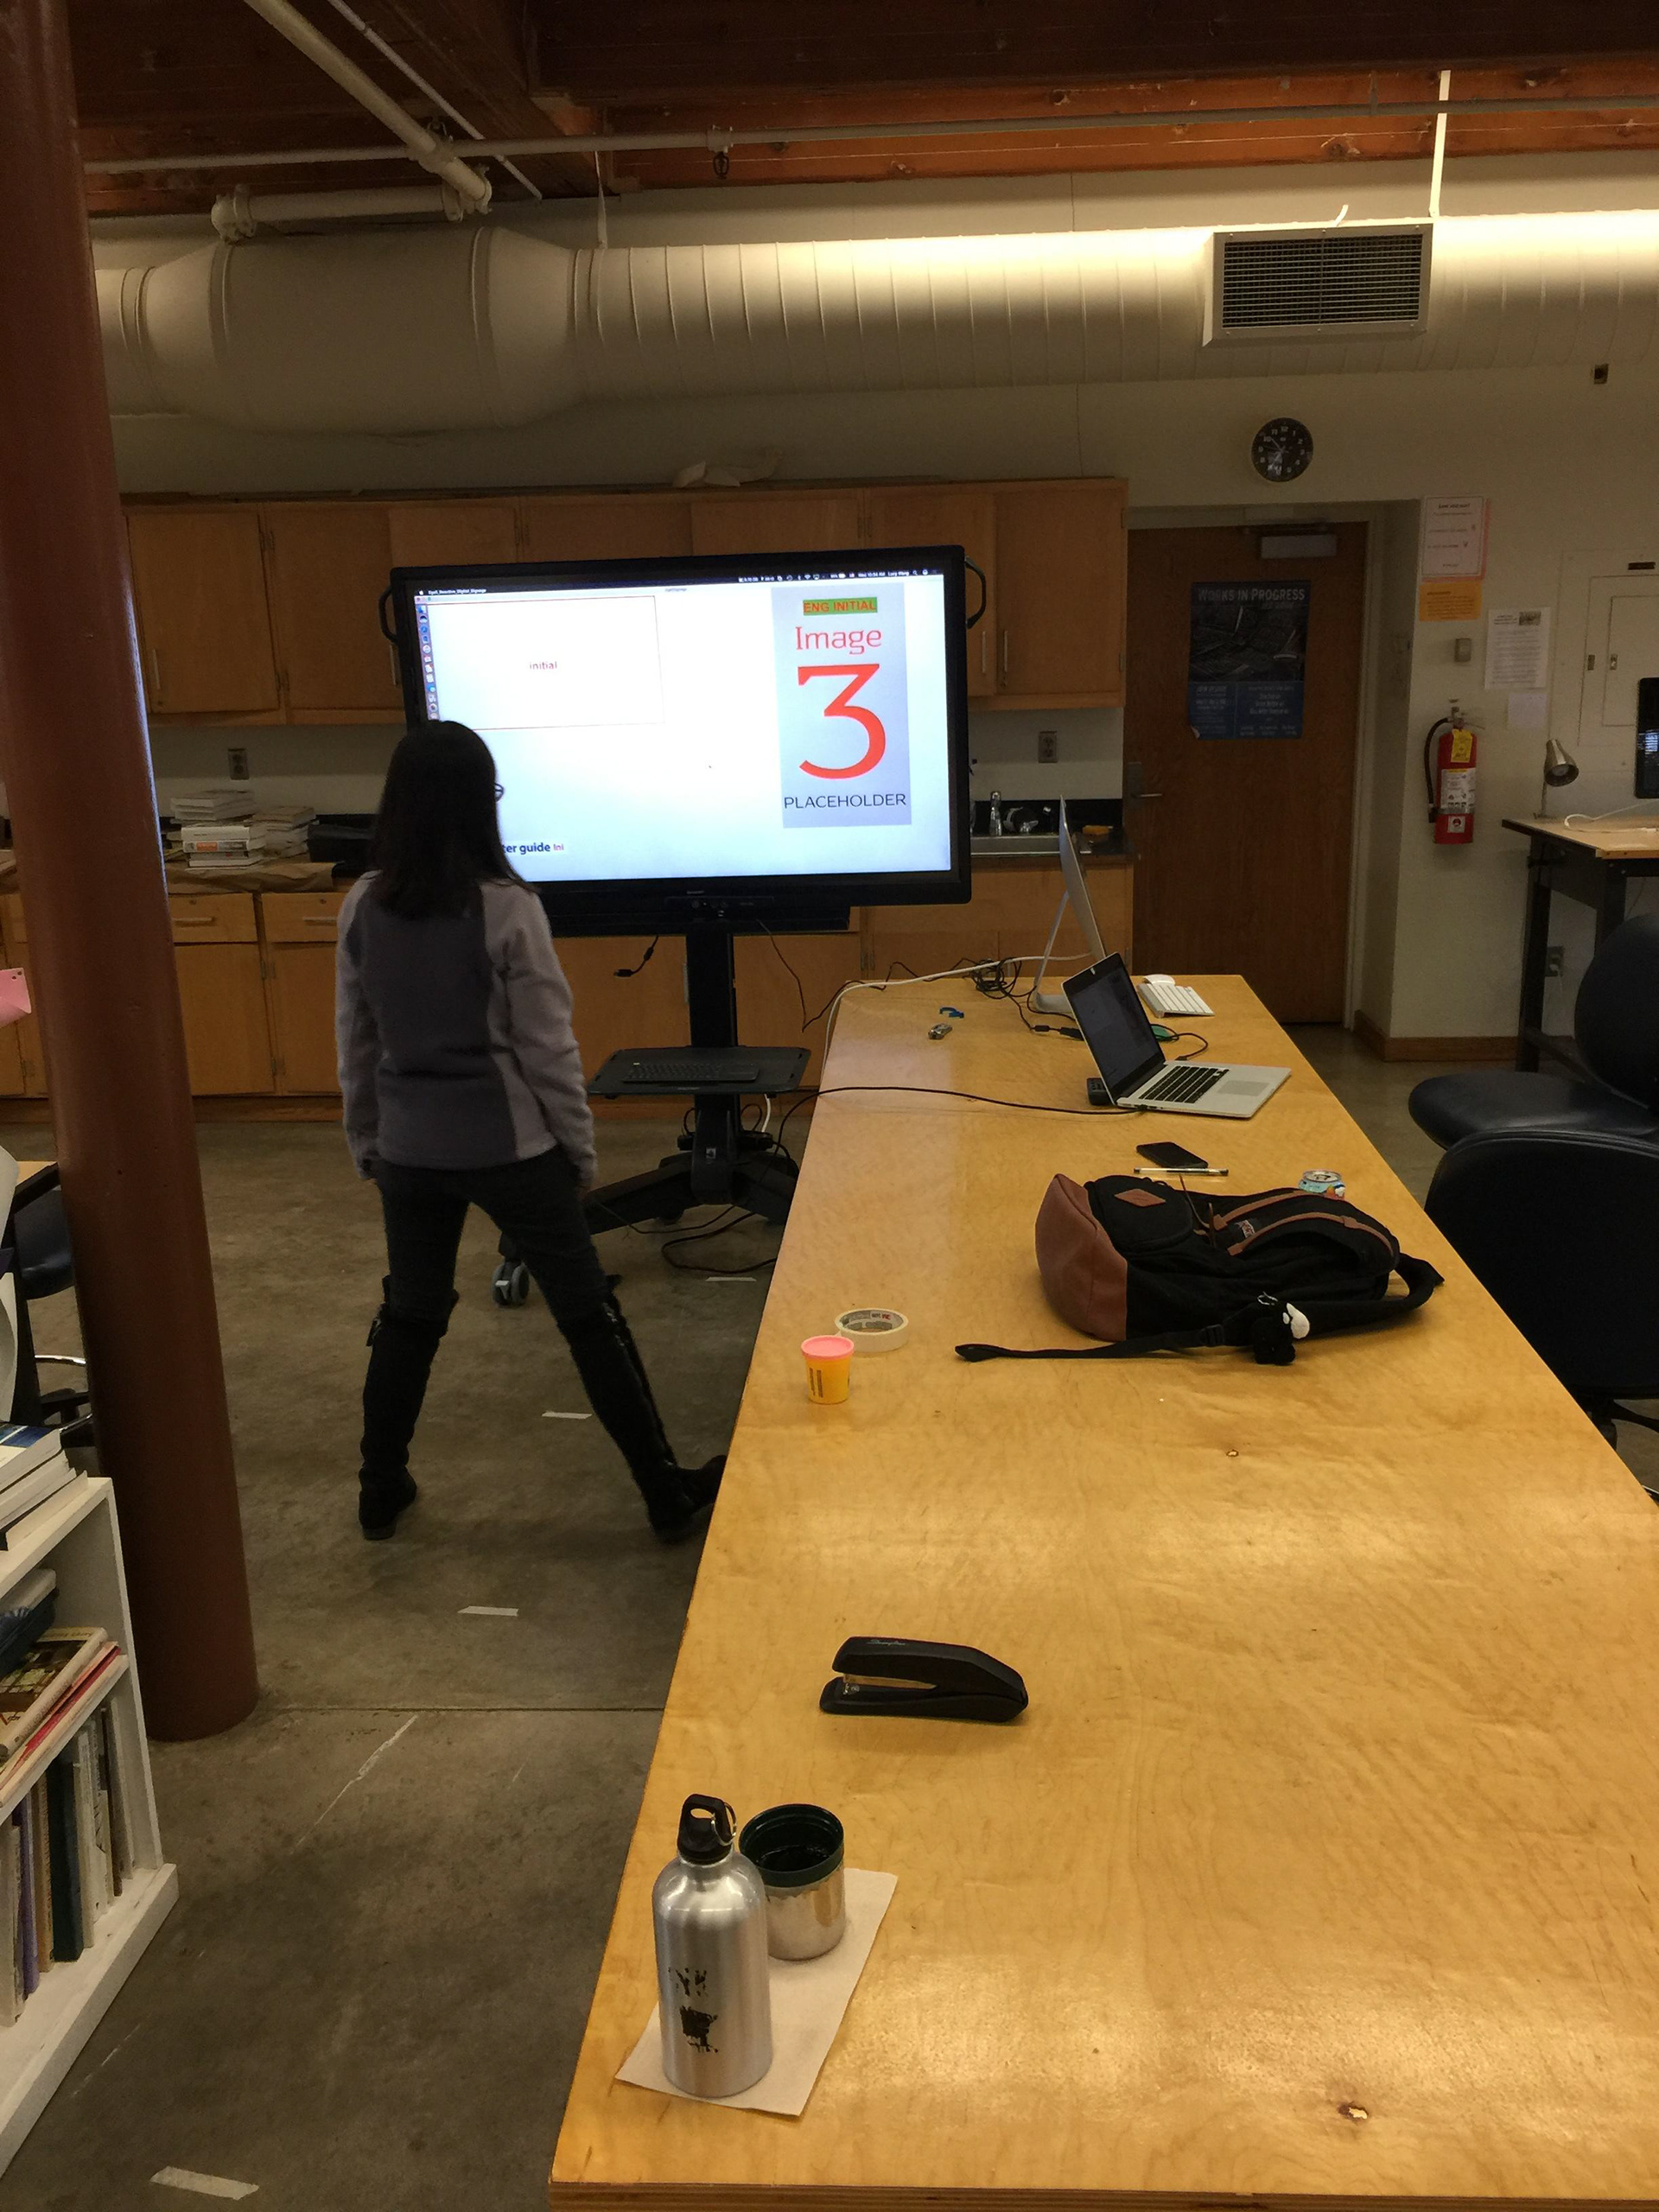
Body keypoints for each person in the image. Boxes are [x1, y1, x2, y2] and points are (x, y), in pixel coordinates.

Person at [335, 720, 721, 1543]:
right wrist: (577, 1150)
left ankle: (379, 1487)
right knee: (588, 1315)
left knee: (409, 1314)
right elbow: (548, 1050)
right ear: (482, 805)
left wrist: (365, 1138)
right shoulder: (509, 908)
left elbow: (357, 1039)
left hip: (408, 1149)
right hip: (509, 1148)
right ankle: (664, 1492)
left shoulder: (362, 904)